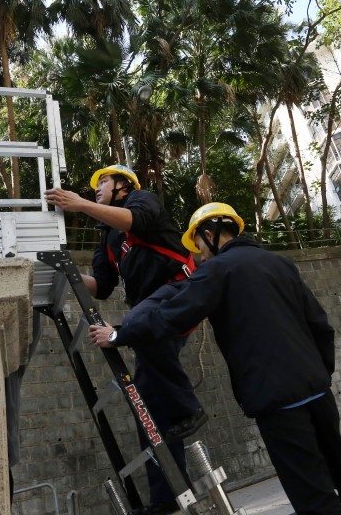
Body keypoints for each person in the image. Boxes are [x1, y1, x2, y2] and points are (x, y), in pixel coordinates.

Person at [89, 203, 341, 515]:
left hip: (276, 402)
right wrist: (320, 375)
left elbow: (171, 315)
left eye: (198, 244)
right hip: (318, 393)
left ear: (209, 234)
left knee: (311, 493)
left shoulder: (217, 271)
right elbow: (320, 325)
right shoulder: (278, 263)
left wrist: (118, 335)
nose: (198, 254)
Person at [45, 165, 204, 515]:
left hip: (179, 292)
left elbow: (136, 220)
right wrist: (64, 268)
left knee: (134, 320)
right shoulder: (108, 240)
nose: (97, 187)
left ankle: (189, 408)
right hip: (150, 317)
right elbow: (102, 287)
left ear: (122, 185)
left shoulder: (141, 200)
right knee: (148, 409)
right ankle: (169, 498)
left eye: (102, 181)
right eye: (97, 183)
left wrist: (80, 204)